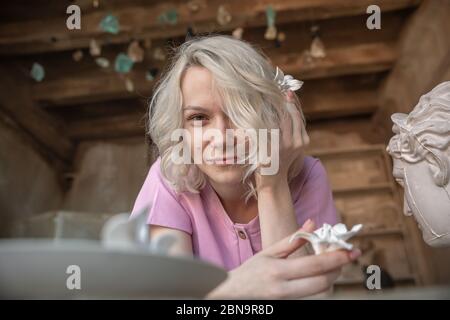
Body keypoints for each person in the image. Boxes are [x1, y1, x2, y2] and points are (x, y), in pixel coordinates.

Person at [131, 35, 354, 296]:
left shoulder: (308, 176)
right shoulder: (168, 177)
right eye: (199, 117)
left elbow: (309, 296)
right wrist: (234, 289)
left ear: (272, 117)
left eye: (239, 114)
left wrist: (272, 184)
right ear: (180, 128)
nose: (222, 138)